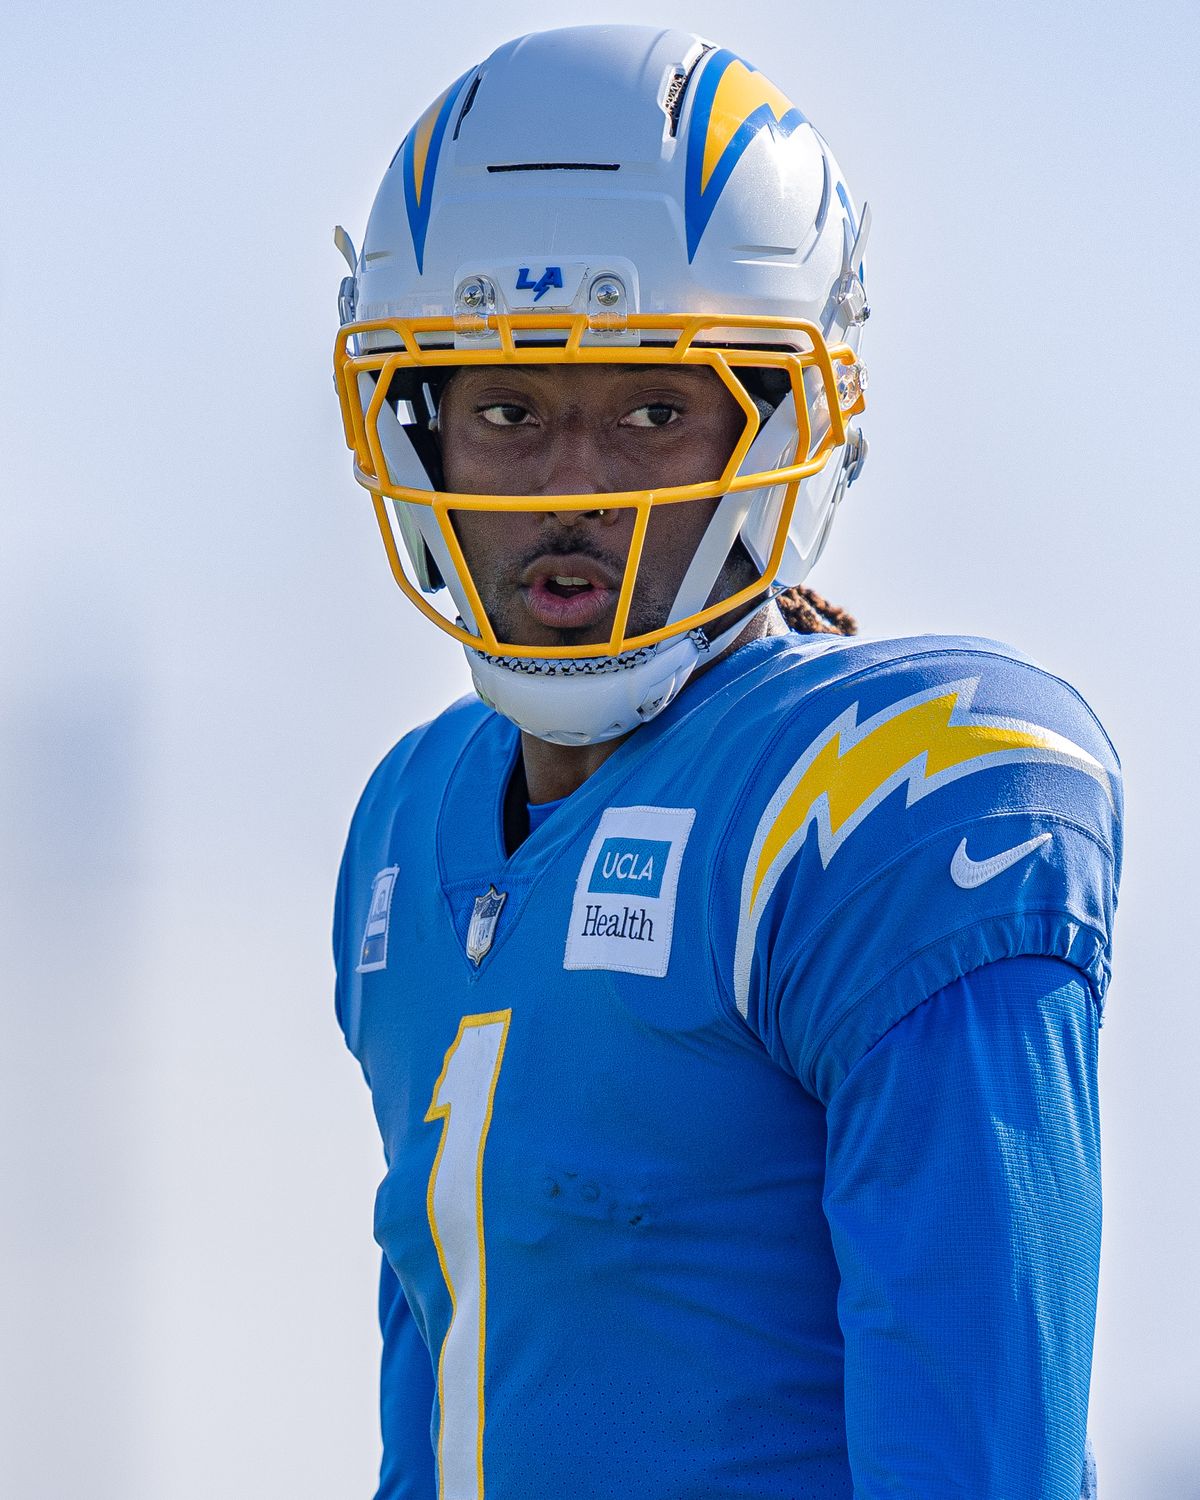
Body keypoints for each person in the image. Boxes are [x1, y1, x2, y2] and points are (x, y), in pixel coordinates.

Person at [330, 25, 1120, 1500]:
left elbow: (980, 1458)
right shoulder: (405, 823)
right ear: (415, 428)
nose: (574, 485)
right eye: (507, 410)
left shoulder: (887, 796)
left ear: (789, 420)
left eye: (652, 409)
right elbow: (436, 1419)